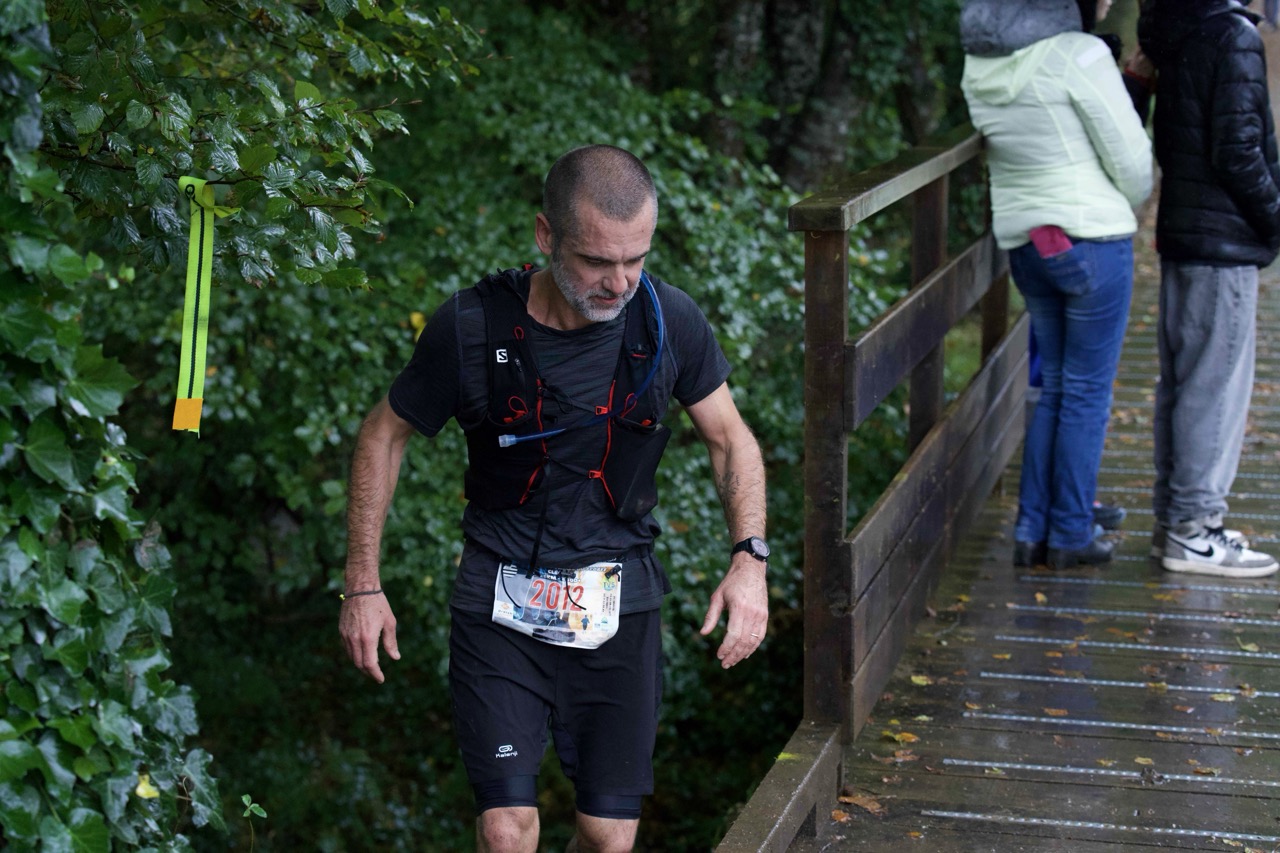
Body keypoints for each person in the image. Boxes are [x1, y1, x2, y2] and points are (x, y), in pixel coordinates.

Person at [338, 144, 770, 852]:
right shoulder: (472, 327)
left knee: (607, 837)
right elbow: (383, 435)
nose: (619, 282)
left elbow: (731, 440)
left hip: (618, 599)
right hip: (501, 598)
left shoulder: (667, 321)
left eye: (635, 260)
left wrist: (749, 559)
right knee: (507, 832)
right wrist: (362, 582)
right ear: (546, 235)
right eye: (597, 262)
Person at [961, 0, 1153, 569]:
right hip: (1091, 240)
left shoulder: (980, 63)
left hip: (1028, 243)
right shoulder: (1078, 54)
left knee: (1057, 388)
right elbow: (1134, 165)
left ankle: (1032, 529)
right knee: (1086, 392)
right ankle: (1069, 531)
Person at [1138, 0, 1280, 578]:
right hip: (1222, 241)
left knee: (1184, 384)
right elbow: (1238, 150)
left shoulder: (1178, 30)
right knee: (1213, 390)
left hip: (1185, 231)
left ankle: (1173, 523)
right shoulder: (1232, 35)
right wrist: (1274, 218)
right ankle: (1194, 530)